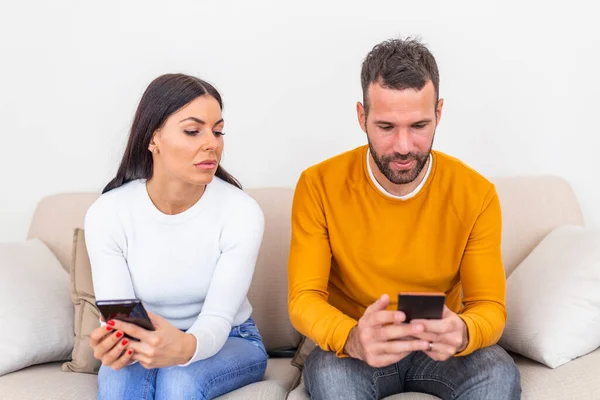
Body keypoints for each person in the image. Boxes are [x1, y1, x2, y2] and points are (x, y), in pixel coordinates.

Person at [287, 38, 521, 399]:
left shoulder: (476, 194)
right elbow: (303, 298)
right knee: (331, 378)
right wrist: (350, 338)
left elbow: (489, 307)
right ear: (362, 116)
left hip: (437, 350)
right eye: (386, 127)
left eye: (419, 125)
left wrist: (463, 332)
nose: (403, 146)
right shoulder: (318, 185)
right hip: (354, 348)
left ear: (439, 114)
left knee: (497, 370)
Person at [85, 73, 267, 400]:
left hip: (232, 338)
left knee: (178, 381)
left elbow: (217, 318)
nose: (212, 143)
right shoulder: (108, 212)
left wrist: (182, 348)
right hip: (146, 337)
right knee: (116, 385)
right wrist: (114, 340)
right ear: (153, 138)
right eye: (193, 131)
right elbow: (120, 313)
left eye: (218, 131)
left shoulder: (241, 211)